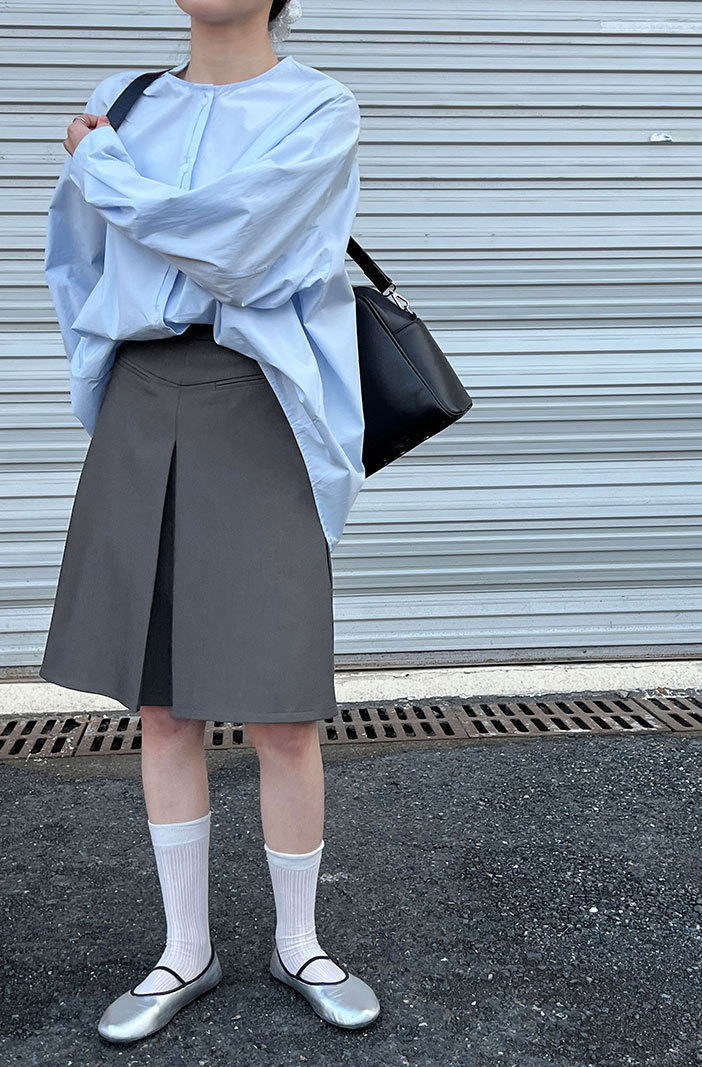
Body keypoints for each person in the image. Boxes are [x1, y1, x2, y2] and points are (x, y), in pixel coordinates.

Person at [38, 0, 379, 1042]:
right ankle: (184, 949)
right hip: (144, 397)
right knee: (163, 704)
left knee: (281, 705)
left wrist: (105, 168)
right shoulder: (125, 100)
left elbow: (236, 248)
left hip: (260, 399)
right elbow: (76, 259)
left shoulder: (319, 108)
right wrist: (106, 371)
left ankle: (299, 941)